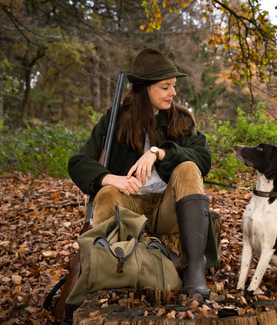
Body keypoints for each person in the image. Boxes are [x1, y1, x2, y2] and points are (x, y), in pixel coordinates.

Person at [68, 48, 215, 296]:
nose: (174, 92)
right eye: (165, 87)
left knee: (188, 167)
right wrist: (110, 179)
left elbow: (203, 159)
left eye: (174, 86)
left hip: (168, 209)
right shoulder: (115, 118)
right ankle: (114, 269)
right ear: (145, 89)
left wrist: (160, 152)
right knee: (106, 194)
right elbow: (79, 161)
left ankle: (195, 268)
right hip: (130, 208)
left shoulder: (181, 119)